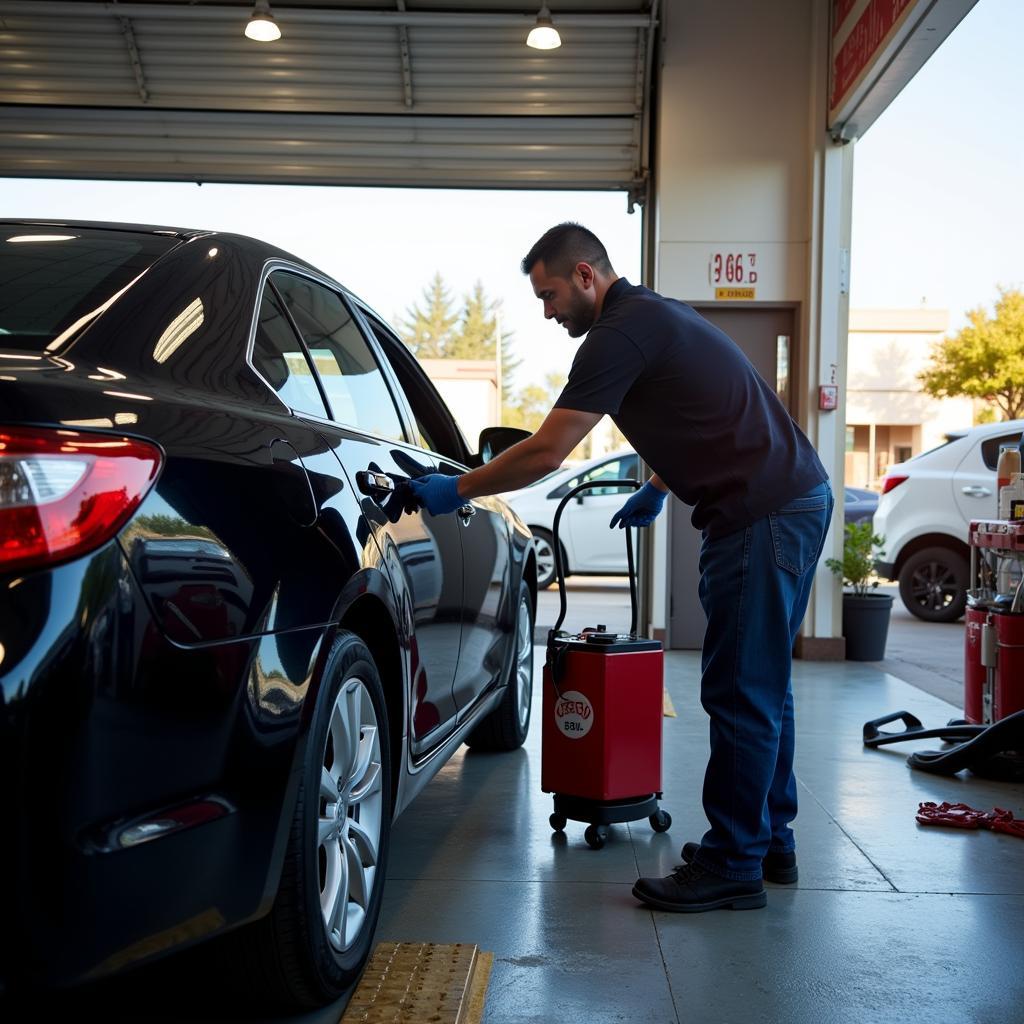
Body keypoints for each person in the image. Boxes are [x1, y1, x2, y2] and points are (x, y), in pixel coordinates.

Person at [410, 222, 833, 913]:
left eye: (548, 294)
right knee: (766, 687)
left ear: (585, 275)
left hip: (763, 514)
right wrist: (660, 485)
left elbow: (548, 450)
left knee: (741, 692)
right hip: (788, 498)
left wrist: (457, 488)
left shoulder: (618, 332)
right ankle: (766, 840)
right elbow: (700, 410)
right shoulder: (654, 317)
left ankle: (734, 864)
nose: (547, 312)